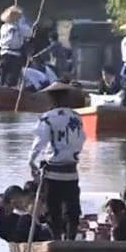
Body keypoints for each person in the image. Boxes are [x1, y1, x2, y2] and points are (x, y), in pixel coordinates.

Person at [29, 82, 86, 240]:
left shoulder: (47, 118)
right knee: (72, 208)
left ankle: (56, 239)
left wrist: (31, 161)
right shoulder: (76, 117)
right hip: (72, 171)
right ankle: (71, 238)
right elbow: (81, 140)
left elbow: (39, 142)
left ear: (51, 99)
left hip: (53, 171)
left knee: (54, 209)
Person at [0, 6, 32, 87]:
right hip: (14, 55)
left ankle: (3, 90)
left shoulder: (4, 27)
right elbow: (29, 33)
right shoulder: (17, 26)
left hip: (4, 54)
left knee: (4, 76)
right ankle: (8, 92)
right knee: (12, 79)